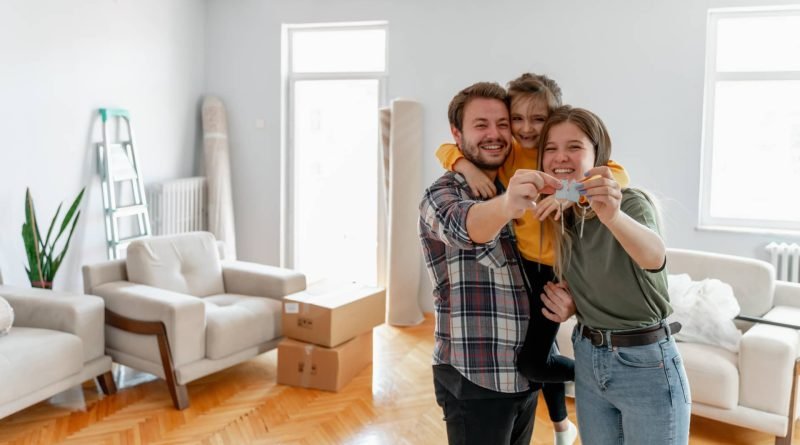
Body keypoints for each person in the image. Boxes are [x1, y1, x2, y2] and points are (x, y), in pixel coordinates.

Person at [435, 73, 630, 445]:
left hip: (555, 269)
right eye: (518, 119)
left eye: (538, 119)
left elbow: (617, 175)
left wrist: (569, 193)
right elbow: (445, 149)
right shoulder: (507, 155)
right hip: (523, 265)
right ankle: (562, 426)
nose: (526, 128)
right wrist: (467, 167)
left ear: (553, 118)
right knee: (541, 351)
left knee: (534, 362)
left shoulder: (558, 156)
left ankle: (605, 378)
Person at [419, 82, 575, 445]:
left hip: (524, 380)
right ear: (457, 134)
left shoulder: (517, 177)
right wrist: (507, 204)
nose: (495, 134)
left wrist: (569, 303)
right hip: (476, 379)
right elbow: (464, 227)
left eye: (502, 124)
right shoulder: (441, 194)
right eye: (481, 125)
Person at [537, 106, 691, 444]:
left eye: (574, 147)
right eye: (551, 148)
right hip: (588, 357)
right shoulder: (563, 218)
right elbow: (600, 279)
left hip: (645, 363)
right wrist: (574, 306)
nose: (560, 156)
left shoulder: (630, 202)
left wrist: (612, 217)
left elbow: (654, 257)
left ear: (597, 154)